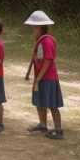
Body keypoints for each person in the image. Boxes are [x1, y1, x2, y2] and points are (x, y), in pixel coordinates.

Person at [25, 11, 64, 139]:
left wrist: (38, 79)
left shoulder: (47, 41)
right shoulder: (41, 40)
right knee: (39, 101)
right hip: (41, 77)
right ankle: (43, 125)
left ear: (40, 27)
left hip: (48, 78)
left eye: (35, 26)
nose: (33, 29)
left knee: (52, 104)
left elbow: (48, 60)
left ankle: (58, 130)